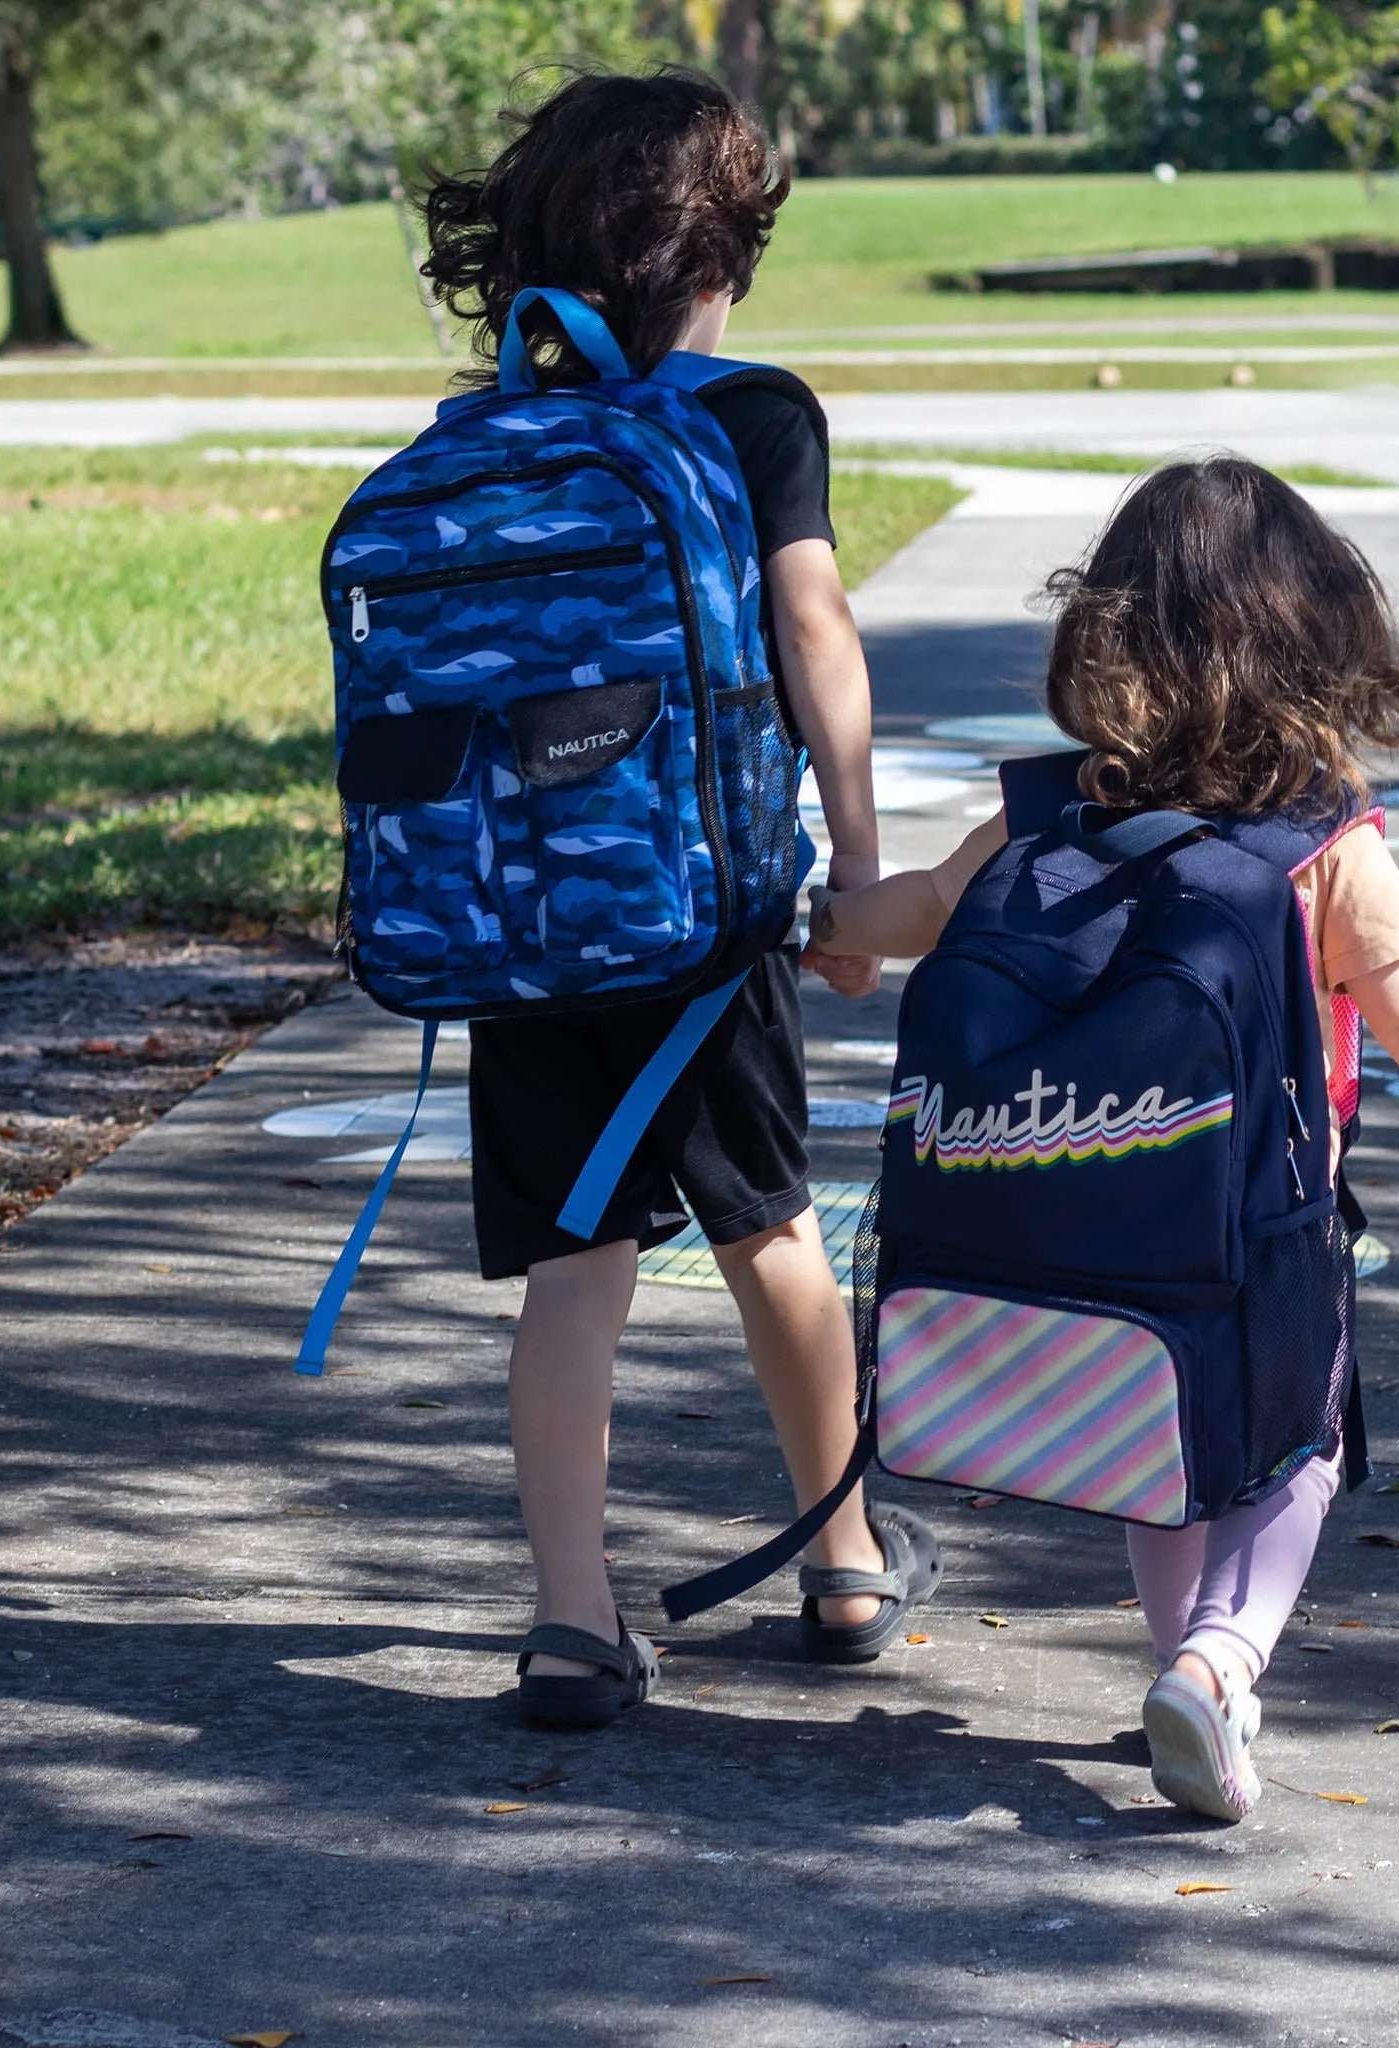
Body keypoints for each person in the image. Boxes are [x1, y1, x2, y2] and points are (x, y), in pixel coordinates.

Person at [804, 455, 1399, 1820]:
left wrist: (824, 929)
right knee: (1295, 1443)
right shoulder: (1323, 830)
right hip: (1269, 1216)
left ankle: (1184, 1669)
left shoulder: (1054, 805)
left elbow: (921, 914)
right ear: (1313, 639)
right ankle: (1219, 1663)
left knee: (1162, 1443)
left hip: (1101, 1203)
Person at [417, 69, 940, 1731]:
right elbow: (820, 642)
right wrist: (858, 877)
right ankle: (844, 1559)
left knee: (575, 1272)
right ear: (721, 255)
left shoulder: (479, 434)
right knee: (772, 1235)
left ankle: (572, 1623)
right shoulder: (754, 415)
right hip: (705, 917)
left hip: (526, 925)